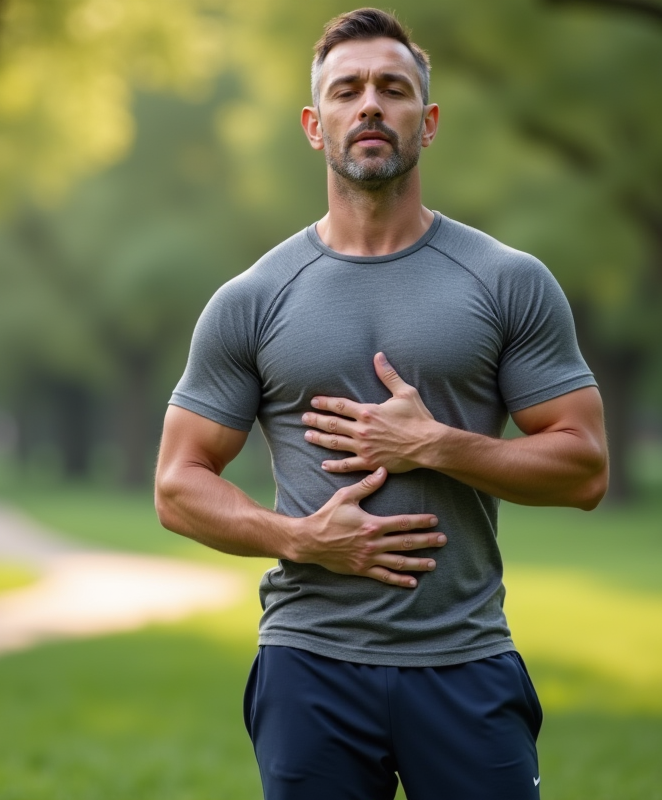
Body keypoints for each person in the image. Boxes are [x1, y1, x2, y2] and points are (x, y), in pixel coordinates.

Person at [154, 8, 607, 799]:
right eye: (347, 90)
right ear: (313, 122)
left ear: (426, 122)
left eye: (392, 89)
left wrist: (435, 444)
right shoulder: (252, 298)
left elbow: (584, 470)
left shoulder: (507, 281)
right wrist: (299, 538)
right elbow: (177, 484)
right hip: (309, 664)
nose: (369, 105)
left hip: (464, 658)